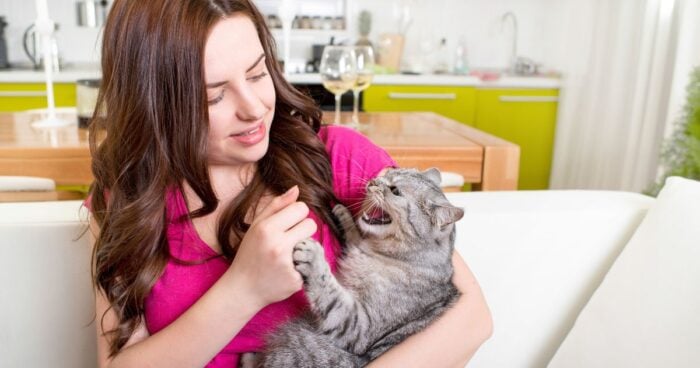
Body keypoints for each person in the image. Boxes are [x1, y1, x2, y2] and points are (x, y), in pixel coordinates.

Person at [88, 1, 493, 367]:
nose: (254, 108)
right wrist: (245, 289)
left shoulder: (344, 161)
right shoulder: (126, 200)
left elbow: (470, 320)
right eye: (214, 97)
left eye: (257, 72)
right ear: (154, 104)